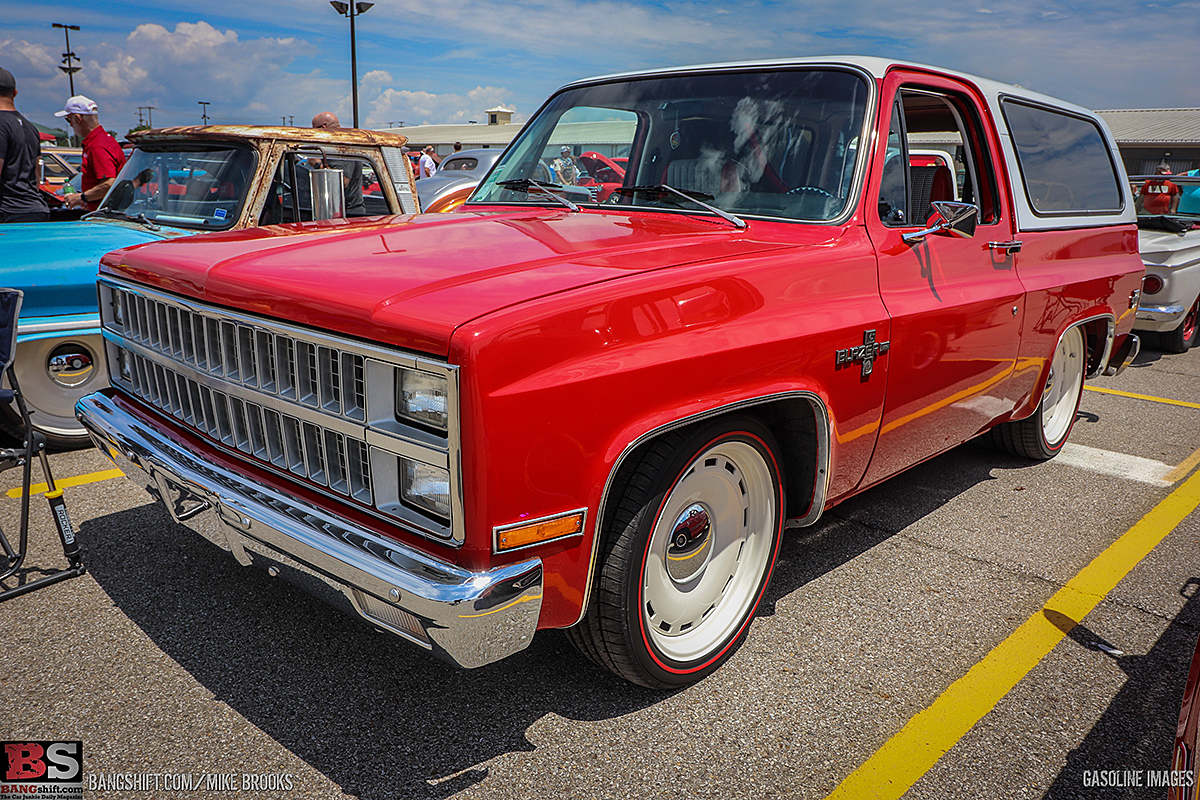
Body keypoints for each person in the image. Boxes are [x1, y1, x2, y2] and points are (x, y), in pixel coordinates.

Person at [56, 95, 125, 211]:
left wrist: (80, 198)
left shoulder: (97, 145)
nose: (70, 125)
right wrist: (88, 198)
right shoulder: (102, 140)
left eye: (69, 120)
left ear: (78, 119)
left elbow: (109, 184)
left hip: (104, 217)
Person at [0, 67, 50, 223]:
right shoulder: (30, 127)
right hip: (36, 210)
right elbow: (36, 176)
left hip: (7, 212)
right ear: (14, 93)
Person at [310, 111, 366, 216]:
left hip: (347, 213)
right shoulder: (339, 144)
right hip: (341, 211)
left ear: (323, 128)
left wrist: (317, 164)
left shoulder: (341, 147)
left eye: (314, 130)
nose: (314, 135)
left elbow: (342, 181)